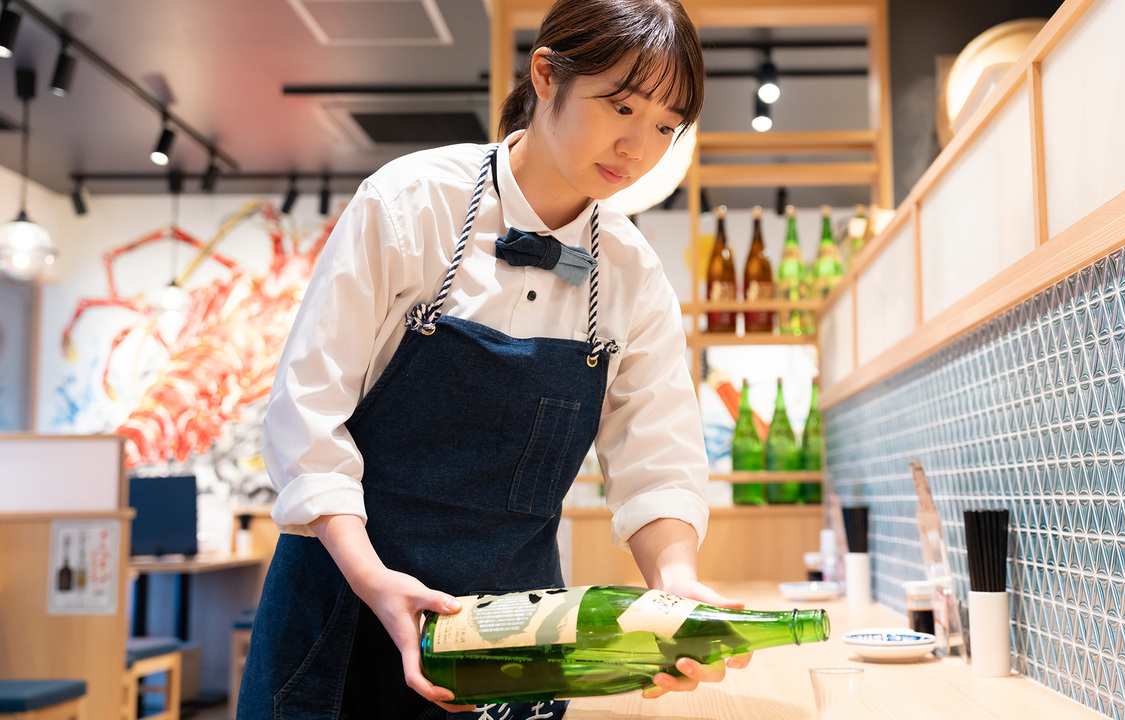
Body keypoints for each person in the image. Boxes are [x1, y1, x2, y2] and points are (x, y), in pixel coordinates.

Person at [237, 1, 748, 718]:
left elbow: (655, 458)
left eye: (666, 126)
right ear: (547, 75)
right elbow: (308, 411)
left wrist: (675, 580)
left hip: (511, 633)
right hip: (346, 604)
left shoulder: (632, 274)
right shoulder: (410, 205)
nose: (638, 147)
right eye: (621, 107)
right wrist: (370, 574)